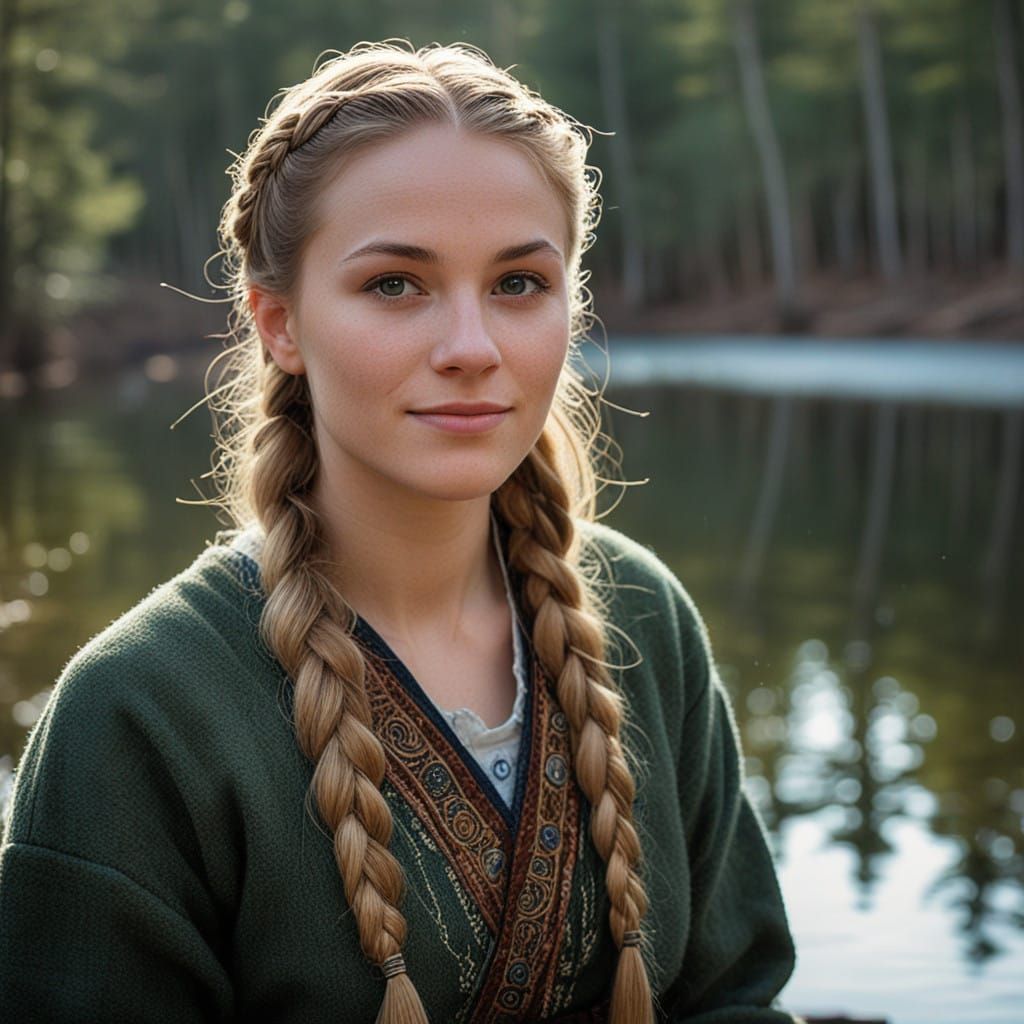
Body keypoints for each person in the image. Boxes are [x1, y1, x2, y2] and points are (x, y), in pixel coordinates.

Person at [0, 40, 799, 1023]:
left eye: (518, 284)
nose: (471, 348)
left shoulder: (642, 618)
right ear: (278, 323)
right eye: (394, 285)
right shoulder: (138, 712)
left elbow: (735, 997)